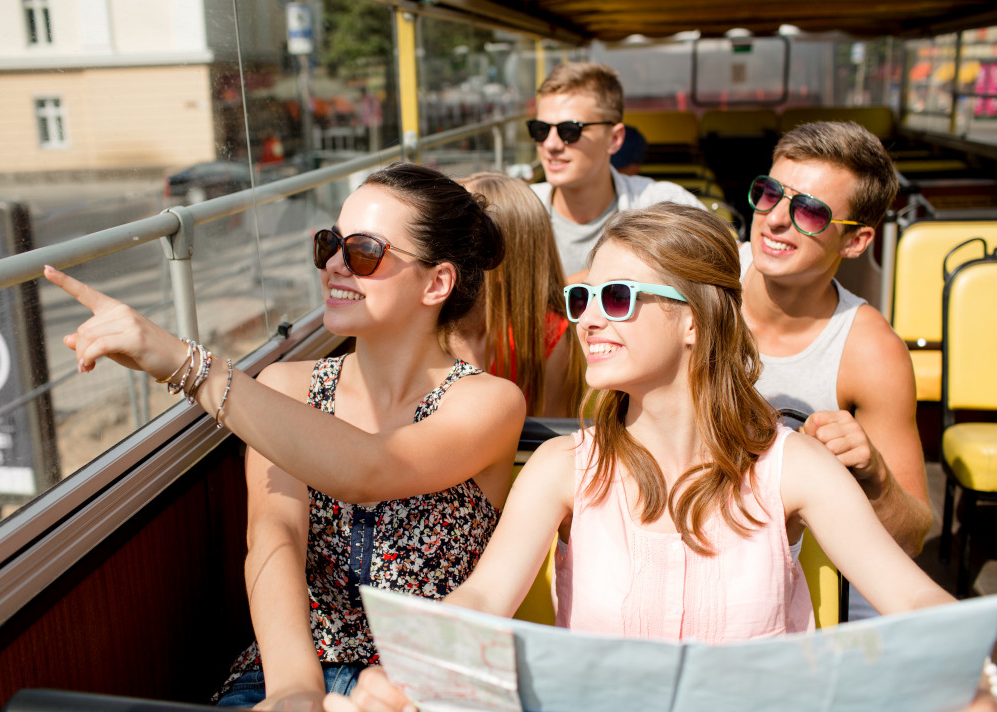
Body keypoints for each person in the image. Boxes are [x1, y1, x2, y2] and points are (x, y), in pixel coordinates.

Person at [320, 203, 967, 712]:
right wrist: (406, 673)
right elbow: (484, 598)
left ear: (695, 319)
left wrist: (973, 667)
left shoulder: (791, 466)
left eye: (619, 298)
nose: (591, 320)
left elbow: (911, 598)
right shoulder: (561, 466)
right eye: (583, 299)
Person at [43, 162, 527, 711]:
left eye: (365, 251)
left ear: (437, 282)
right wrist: (296, 691)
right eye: (330, 245)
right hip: (285, 667)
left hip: (424, 683)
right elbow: (275, 541)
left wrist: (186, 363)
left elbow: (370, 470)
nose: (336, 265)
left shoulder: (488, 402)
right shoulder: (287, 388)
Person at [740, 121, 932, 620]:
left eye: (809, 210)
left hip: (816, 589)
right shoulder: (701, 278)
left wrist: (874, 474)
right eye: (769, 194)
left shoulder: (870, 351)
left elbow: (911, 536)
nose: (776, 220)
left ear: (855, 241)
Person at [526, 61, 705, 282]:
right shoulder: (516, 213)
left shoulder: (663, 205)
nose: (551, 144)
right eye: (540, 130)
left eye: (569, 131)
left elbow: (732, 263)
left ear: (614, 139)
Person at [446, 172, 585, 418]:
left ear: (495, 253)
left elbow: (549, 435)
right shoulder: (431, 317)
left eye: (457, 235)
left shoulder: (548, 335)